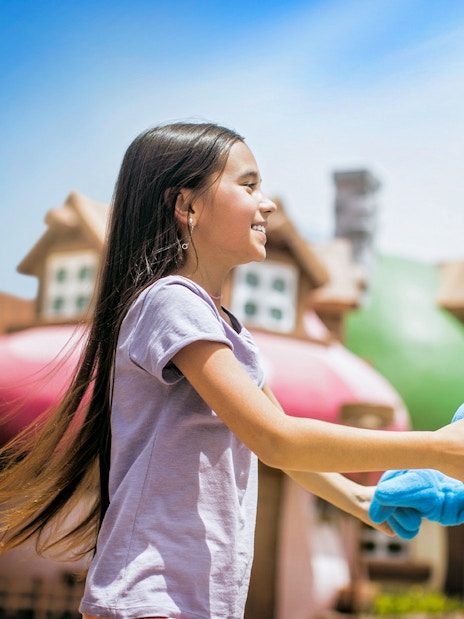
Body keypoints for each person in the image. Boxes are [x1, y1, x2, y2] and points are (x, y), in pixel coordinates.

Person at [1, 121, 464, 619]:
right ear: (187, 205)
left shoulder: (224, 326)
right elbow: (276, 438)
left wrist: (363, 500)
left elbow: (285, 448)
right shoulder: (170, 301)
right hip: (151, 598)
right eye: (248, 184)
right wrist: (437, 448)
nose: (267, 203)